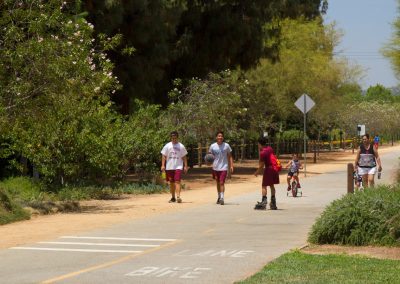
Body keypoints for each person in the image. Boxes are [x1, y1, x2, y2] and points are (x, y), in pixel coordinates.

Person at [161, 131, 189, 203]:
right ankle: (173, 197)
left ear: (177, 138)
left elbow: (184, 157)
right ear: (171, 138)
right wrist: (163, 165)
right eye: (172, 138)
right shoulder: (167, 146)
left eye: (175, 138)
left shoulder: (181, 146)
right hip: (169, 167)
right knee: (171, 183)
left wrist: (185, 166)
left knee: (177, 181)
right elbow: (164, 155)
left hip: (178, 166)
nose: (174, 139)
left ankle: (178, 196)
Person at [208, 131, 234, 205]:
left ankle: (222, 198)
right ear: (216, 137)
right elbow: (209, 156)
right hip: (215, 167)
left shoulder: (226, 146)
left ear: (223, 137)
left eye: (221, 136)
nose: (220, 137)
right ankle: (219, 196)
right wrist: (208, 162)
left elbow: (230, 156)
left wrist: (231, 165)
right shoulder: (212, 146)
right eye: (219, 136)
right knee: (217, 182)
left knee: (222, 182)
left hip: (224, 167)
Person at [254, 136, 279, 210]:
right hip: (274, 169)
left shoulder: (263, 152)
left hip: (268, 169)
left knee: (264, 185)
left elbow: (261, 165)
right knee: (271, 185)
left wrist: (257, 172)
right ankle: (273, 202)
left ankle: (264, 202)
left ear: (259, 143)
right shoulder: (270, 148)